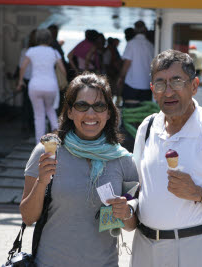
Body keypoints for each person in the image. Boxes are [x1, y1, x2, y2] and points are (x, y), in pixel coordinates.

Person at [131, 50, 202, 267]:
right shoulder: (146, 127)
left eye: (176, 82)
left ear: (194, 85)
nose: (168, 92)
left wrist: (198, 194)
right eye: (160, 84)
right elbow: (136, 188)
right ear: (152, 90)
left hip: (191, 249)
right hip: (144, 248)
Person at [20, 73, 139, 267]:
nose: (90, 114)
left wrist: (125, 212)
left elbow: (131, 225)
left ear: (109, 113)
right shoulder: (48, 152)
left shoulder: (123, 159)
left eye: (99, 106)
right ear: (69, 112)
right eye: (82, 106)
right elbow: (27, 217)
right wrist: (42, 182)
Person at [18, 28, 67, 144]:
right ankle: (57, 138)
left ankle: (39, 144)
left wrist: (20, 80)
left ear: (36, 39)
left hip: (35, 86)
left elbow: (23, 66)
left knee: (38, 115)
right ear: (49, 39)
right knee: (50, 110)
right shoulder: (54, 52)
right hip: (51, 86)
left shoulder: (31, 51)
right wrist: (64, 81)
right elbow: (63, 69)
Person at [118, 21, 154, 107]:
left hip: (132, 85)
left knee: (130, 113)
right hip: (147, 85)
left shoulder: (131, 44)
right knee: (143, 113)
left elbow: (127, 63)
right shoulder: (150, 45)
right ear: (145, 30)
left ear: (134, 30)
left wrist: (120, 78)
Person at [18, 29, 36, 135]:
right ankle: (33, 126)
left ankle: (25, 125)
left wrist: (20, 80)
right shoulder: (42, 52)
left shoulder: (25, 51)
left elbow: (21, 66)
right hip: (37, 79)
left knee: (26, 103)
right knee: (36, 105)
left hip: (27, 79)